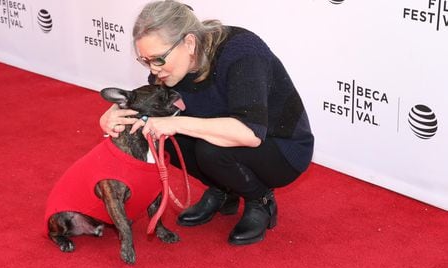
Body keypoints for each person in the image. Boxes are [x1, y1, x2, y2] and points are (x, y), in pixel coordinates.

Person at [100, 0, 314, 245]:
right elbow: (151, 103)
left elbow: (250, 133)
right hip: (229, 139)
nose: (153, 69)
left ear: (189, 43)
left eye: (158, 59)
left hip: (283, 148)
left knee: (204, 146)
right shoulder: (171, 69)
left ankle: (260, 200)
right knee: (156, 132)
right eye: (145, 61)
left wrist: (176, 125)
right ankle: (223, 189)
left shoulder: (242, 51)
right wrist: (114, 111)